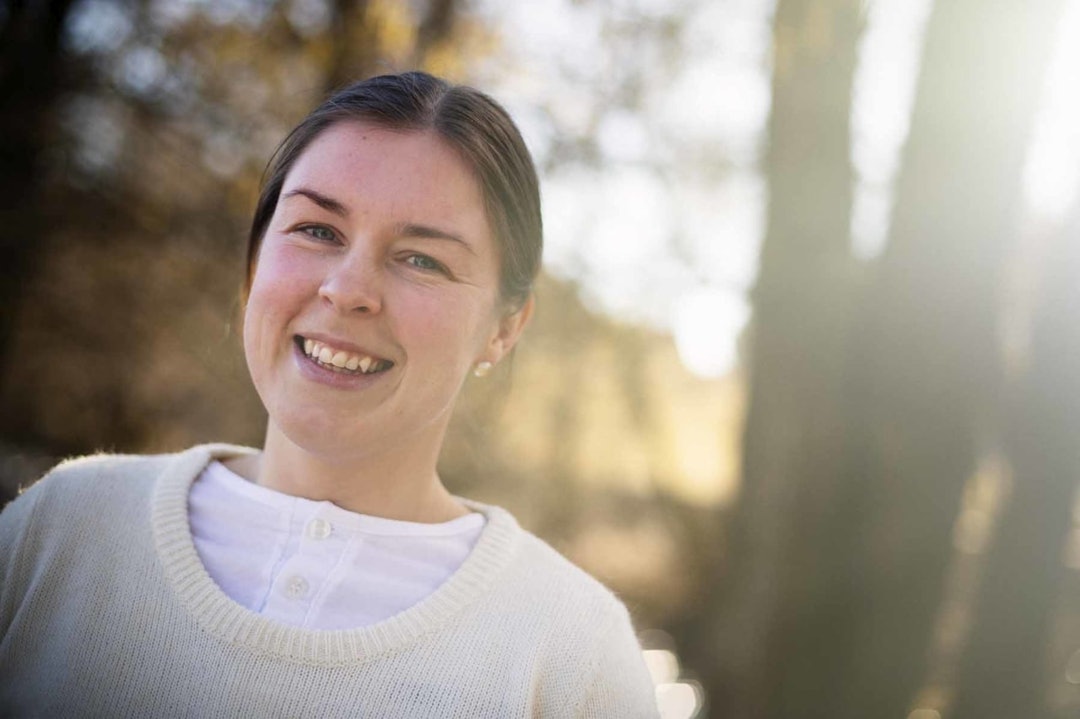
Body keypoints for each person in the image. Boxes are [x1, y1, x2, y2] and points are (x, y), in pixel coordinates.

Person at [0, 72, 659, 717]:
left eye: (421, 259)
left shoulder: (574, 656)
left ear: (505, 327)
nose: (347, 289)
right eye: (318, 230)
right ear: (256, 260)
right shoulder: (63, 528)